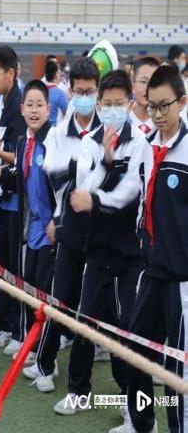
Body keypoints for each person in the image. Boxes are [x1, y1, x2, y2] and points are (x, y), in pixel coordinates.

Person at [54, 70, 147, 415]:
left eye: (119, 104)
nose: (112, 110)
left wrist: (95, 198)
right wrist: (106, 162)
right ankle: (78, 391)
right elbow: (84, 185)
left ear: (130, 104)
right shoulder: (90, 142)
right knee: (86, 321)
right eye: (107, 104)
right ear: (98, 104)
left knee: (127, 327)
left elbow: (128, 194)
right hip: (96, 249)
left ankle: (131, 397)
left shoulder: (140, 142)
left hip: (129, 253)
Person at [110, 66, 187, 433]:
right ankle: (142, 421)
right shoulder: (146, 145)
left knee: (177, 366)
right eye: (151, 106)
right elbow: (137, 195)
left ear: (182, 102)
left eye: (164, 106)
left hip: (183, 279)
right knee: (137, 349)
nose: (157, 114)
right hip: (151, 269)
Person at [22, 58, 102, 392]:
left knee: (90, 311)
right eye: (78, 91)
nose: (84, 97)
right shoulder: (59, 132)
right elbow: (55, 181)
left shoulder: (110, 131)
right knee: (58, 301)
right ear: (70, 90)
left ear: (97, 91)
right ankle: (46, 364)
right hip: (67, 230)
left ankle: (81, 387)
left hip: (99, 234)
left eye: (89, 91)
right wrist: (57, 221)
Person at [0, 80, 56, 365]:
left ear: (48, 109)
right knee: (29, 288)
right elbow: (20, 176)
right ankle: (32, 345)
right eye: (30, 105)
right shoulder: (22, 141)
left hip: (51, 230)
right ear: (22, 109)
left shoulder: (53, 141)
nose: (34, 110)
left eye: (40, 105)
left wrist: (58, 222)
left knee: (45, 292)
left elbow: (63, 186)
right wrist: (1, 174)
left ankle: (46, 357)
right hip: (31, 229)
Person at [0, 45, 26, 355]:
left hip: (15, 200)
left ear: (11, 73)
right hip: (1, 197)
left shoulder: (20, 106)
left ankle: (17, 329)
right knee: (0, 263)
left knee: (14, 267)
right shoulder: (1, 103)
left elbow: (22, 155)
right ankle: (3, 326)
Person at [129, 57, 161, 135]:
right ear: (133, 86)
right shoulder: (122, 122)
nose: (147, 88)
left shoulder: (167, 126)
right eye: (143, 82)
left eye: (153, 82)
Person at [45, 60, 68, 126]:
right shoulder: (59, 93)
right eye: (59, 72)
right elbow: (68, 113)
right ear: (56, 74)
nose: (61, 74)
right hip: (55, 129)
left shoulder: (40, 91)